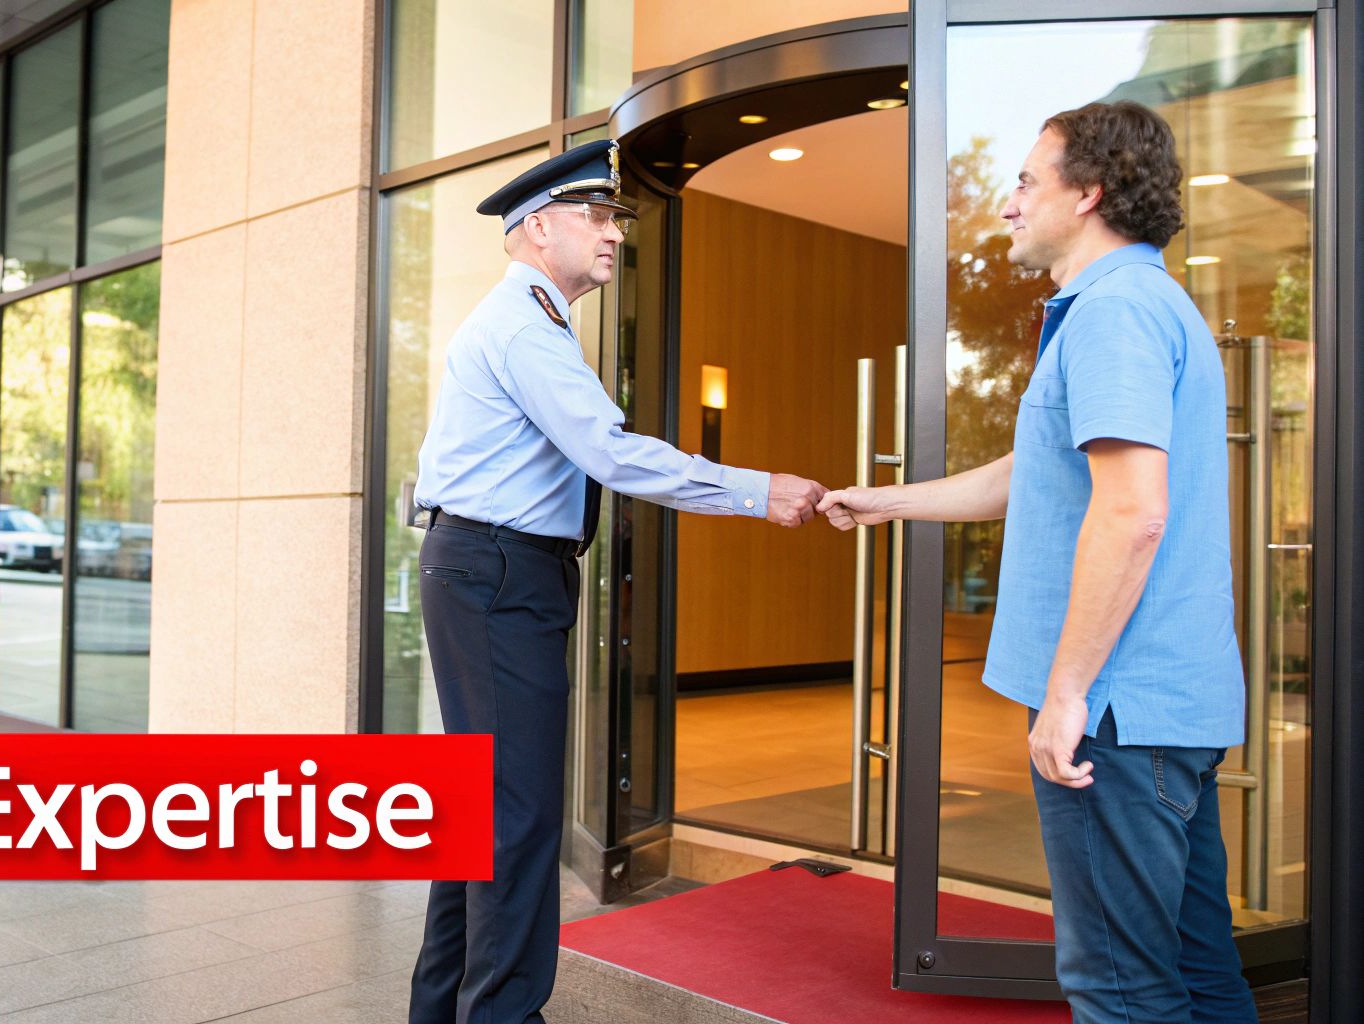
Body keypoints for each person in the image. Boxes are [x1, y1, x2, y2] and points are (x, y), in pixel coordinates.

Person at [819, 102, 1255, 1023]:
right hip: (1160, 710)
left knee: (1120, 987)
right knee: (1194, 967)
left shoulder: (1116, 314)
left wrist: (1067, 696)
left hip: (1117, 716)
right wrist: (883, 501)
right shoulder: (1136, 305)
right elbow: (1033, 475)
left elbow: (1133, 513)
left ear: (1088, 194)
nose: (1008, 205)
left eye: (1025, 182)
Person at [408, 139, 826, 1024]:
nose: (612, 235)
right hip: (497, 575)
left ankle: (443, 1011)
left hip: (493, 571)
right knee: (514, 818)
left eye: (616, 219)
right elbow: (609, 452)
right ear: (534, 229)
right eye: (595, 217)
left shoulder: (535, 320)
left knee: (484, 810)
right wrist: (757, 490)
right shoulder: (525, 323)